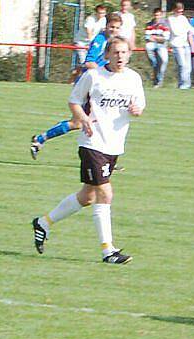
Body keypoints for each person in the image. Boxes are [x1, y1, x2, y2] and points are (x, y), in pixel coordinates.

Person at [31, 37, 145, 265]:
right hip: (92, 144)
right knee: (105, 193)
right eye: (116, 53)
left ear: (129, 54)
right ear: (107, 55)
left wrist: (136, 109)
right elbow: (74, 101)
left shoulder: (133, 78)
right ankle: (108, 251)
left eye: (124, 52)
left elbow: (139, 106)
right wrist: (83, 119)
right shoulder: (94, 76)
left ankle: (43, 223)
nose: (120, 56)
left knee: (88, 196)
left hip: (114, 145)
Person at [30, 14, 122, 159]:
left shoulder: (114, 42)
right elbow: (89, 62)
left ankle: (41, 139)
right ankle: (40, 139)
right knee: (79, 122)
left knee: (89, 121)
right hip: (88, 87)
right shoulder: (100, 40)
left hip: (99, 88)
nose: (114, 30)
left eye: (117, 28)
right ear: (106, 26)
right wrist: (104, 73)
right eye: (112, 27)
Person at [167, 2, 194, 90]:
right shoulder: (170, 19)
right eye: (179, 11)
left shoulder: (183, 18)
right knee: (182, 65)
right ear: (174, 10)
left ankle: (186, 84)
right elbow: (175, 32)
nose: (180, 13)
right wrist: (185, 30)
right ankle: (183, 84)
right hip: (177, 45)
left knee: (188, 66)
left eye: (181, 11)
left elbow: (189, 27)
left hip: (185, 44)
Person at [144, 7, 170, 88]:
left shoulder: (165, 24)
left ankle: (159, 81)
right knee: (148, 47)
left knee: (164, 61)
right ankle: (154, 64)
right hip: (152, 44)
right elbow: (147, 37)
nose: (157, 17)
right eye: (155, 15)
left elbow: (165, 38)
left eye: (158, 15)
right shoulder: (149, 24)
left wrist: (154, 38)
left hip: (162, 45)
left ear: (161, 15)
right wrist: (158, 38)